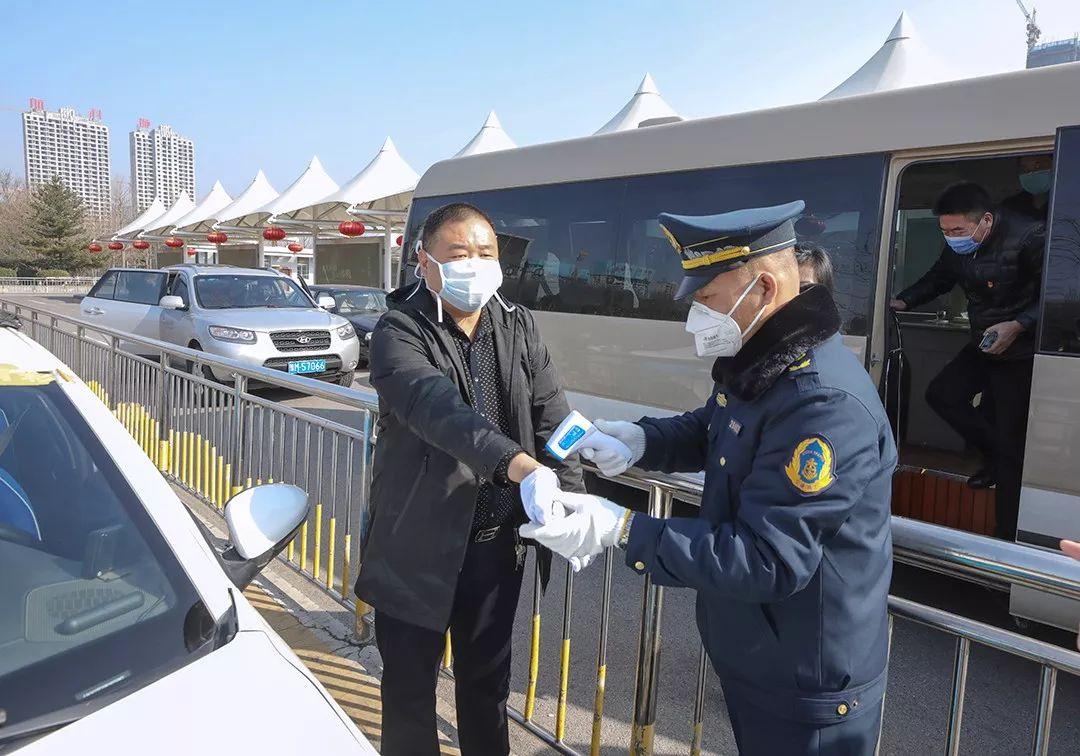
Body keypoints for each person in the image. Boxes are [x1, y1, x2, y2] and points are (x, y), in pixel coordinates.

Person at [526, 201, 896, 755]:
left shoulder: (821, 402)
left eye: (705, 300)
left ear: (764, 289)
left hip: (810, 682)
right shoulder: (764, 361)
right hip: (765, 655)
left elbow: (768, 559)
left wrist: (622, 528)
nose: (695, 317)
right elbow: (717, 427)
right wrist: (640, 439)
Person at [354, 202, 585, 756]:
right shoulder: (398, 330)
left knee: (486, 690)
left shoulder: (517, 323)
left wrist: (573, 495)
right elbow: (439, 413)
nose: (475, 265)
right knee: (409, 695)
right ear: (423, 261)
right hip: (416, 547)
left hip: (495, 550)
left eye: (486, 254)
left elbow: (553, 413)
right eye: (460, 254)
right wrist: (521, 466)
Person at [889, 182, 1044, 540]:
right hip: (985, 340)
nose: (951, 238)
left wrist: (1019, 325)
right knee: (942, 395)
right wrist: (904, 301)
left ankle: (1006, 544)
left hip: (1020, 350)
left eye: (957, 230)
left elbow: (1059, 293)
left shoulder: (1031, 237)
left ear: (985, 221)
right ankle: (993, 454)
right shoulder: (959, 246)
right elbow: (940, 278)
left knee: (1011, 446)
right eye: (944, 231)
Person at [1002, 153, 1053, 221]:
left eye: (1038, 165)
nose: (1032, 173)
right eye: (1024, 168)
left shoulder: (1066, 203)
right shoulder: (1010, 207)